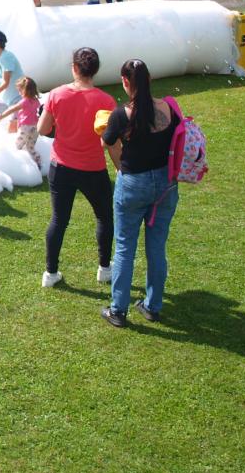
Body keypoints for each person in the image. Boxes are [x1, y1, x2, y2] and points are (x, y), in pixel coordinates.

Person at [100, 59, 181, 328]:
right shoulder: (168, 108)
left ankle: (118, 310)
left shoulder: (121, 115)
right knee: (157, 248)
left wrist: (116, 160)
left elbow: (107, 142)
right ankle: (152, 306)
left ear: (125, 82)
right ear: (150, 79)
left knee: (125, 248)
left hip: (133, 185)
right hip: (166, 185)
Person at [37, 47, 116, 289]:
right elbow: (109, 140)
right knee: (104, 217)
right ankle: (104, 269)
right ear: (96, 70)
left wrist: (61, 128)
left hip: (61, 167)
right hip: (93, 169)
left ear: (74, 68)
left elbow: (42, 129)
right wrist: (120, 167)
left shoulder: (56, 94)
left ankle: (50, 273)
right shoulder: (106, 101)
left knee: (59, 220)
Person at [0, 76, 43, 169]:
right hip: (36, 128)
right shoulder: (36, 101)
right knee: (30, 147)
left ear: (26, 91)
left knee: (17, 145)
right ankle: (38, 162)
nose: (19, 93)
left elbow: (11, 109)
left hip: (25, 128)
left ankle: (16, 165)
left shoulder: (24, 102)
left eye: (20, 91)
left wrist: (0, 117)